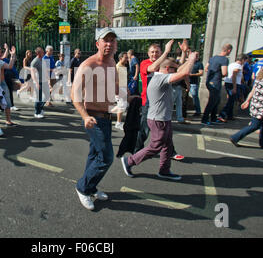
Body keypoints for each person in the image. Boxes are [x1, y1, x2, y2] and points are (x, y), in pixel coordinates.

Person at [121, 51, 199, 181]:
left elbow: (181, 70)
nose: (176, 71)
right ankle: (129, 161)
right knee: (156, 146)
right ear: (167, 69)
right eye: (174, 69)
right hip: (158, 120)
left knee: (167, 146)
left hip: (164, 119)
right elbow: (184, 73)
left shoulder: (162, 77)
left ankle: (164, 170)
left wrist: (186, 56)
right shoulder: (160, 79)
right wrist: (191, 60)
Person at [71, 27, 119, 210]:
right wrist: (84, 116)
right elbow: (74, 94)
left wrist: (125, 97)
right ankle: (82, 188)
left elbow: (113, 86)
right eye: (105, 40)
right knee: (106, 158)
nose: (109, 44)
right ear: (97, 44)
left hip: (107, 117)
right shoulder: (88, 65)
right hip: (93, 118)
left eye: (112, 40)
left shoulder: (112, 62)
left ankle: (90, 187)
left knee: (95, 155)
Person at [230, 61, 263, 149]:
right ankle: (235, 137)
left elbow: (253, 91)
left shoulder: (259, 78)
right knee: (255, 125)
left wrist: (247, 101)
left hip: (256, 104)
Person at [135, 41, 174, 152]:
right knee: (144, 128)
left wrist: (185, 53)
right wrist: (166, 52)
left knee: (166, 127)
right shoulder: (145, 63)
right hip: (148, 102)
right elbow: (152, 68)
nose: (154, 54)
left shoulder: (163, 64)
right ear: (148, 53)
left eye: (157, 52)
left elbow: (177, 67)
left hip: (162, 101)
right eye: (152, 52)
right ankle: (136, 151)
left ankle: (170, 151)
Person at [201, 43, 232, 126]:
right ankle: (204, 119)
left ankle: (213, 118)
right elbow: (224, 72)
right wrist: (220, 74)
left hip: (209, 81)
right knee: (212, 101)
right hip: (216, 82)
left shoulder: (213, 58)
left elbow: (206, 68)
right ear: (229, 50)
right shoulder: (224, 59)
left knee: (216, 100)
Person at [218, 55, 244, 122]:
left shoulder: (231, 65)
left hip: (228, 82)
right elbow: (234, 75)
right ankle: (222, 114)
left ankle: (230, 115)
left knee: (231, 99)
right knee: (231, 100)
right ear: (242, 60)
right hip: (233, 84)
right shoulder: (238, 66)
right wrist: (234, 87)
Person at [31, 47, 50, 118]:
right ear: (38, 53)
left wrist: (48, 79)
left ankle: (40, 108)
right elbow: (32, 73)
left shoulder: (43, 60)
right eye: (42, 52)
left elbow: (45, 70)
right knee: (38, 97)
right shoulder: (34, 61)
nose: (44, 53)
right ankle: (37, 112)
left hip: (44, 81)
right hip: (38, 82)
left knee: (47, 95)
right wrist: (36, 83)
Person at [115, 52, 128, 130]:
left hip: (123, 88)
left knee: (123, 105)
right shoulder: (117, 67)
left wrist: (127, 88)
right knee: (122, 105)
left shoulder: (123, 66)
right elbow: (115, 80)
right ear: (120, 58)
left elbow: (123, 79)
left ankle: (118, 121)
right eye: (125, 57)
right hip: (119, 88)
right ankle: (118, 123)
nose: (127, 59)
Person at [189, 52, 204, 117]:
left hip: (194, 83)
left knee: (195, 97)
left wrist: (192, 75)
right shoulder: (189, 63)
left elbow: (201, 73)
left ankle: (198, 111)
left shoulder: (199, 64)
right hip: (186, 82)